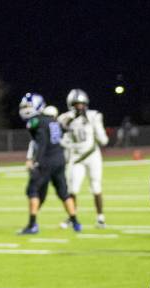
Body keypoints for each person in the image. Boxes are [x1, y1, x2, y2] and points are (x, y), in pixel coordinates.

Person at [17, 93, 80, 234]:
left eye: (28, 106)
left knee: (32, 190)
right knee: (63, 192)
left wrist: (35, 161)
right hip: (59, 158)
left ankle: (32, 225)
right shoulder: (52, 120)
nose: (25, 109)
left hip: (46, 160)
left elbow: (41, 143)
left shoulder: (36, 121)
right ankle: (75, 222)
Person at [58, 89, 110, 228]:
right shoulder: (65, 118)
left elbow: (103, 139)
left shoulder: (93, 116)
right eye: (76, 104)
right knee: (73, 189)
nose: (79, 107)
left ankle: (100, 218)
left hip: (92, 155)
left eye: (82, 104)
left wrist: (96, 127)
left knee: (96, 186)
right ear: (71, 104)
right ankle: (72, 216)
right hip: (76, 158)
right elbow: (61, 137)